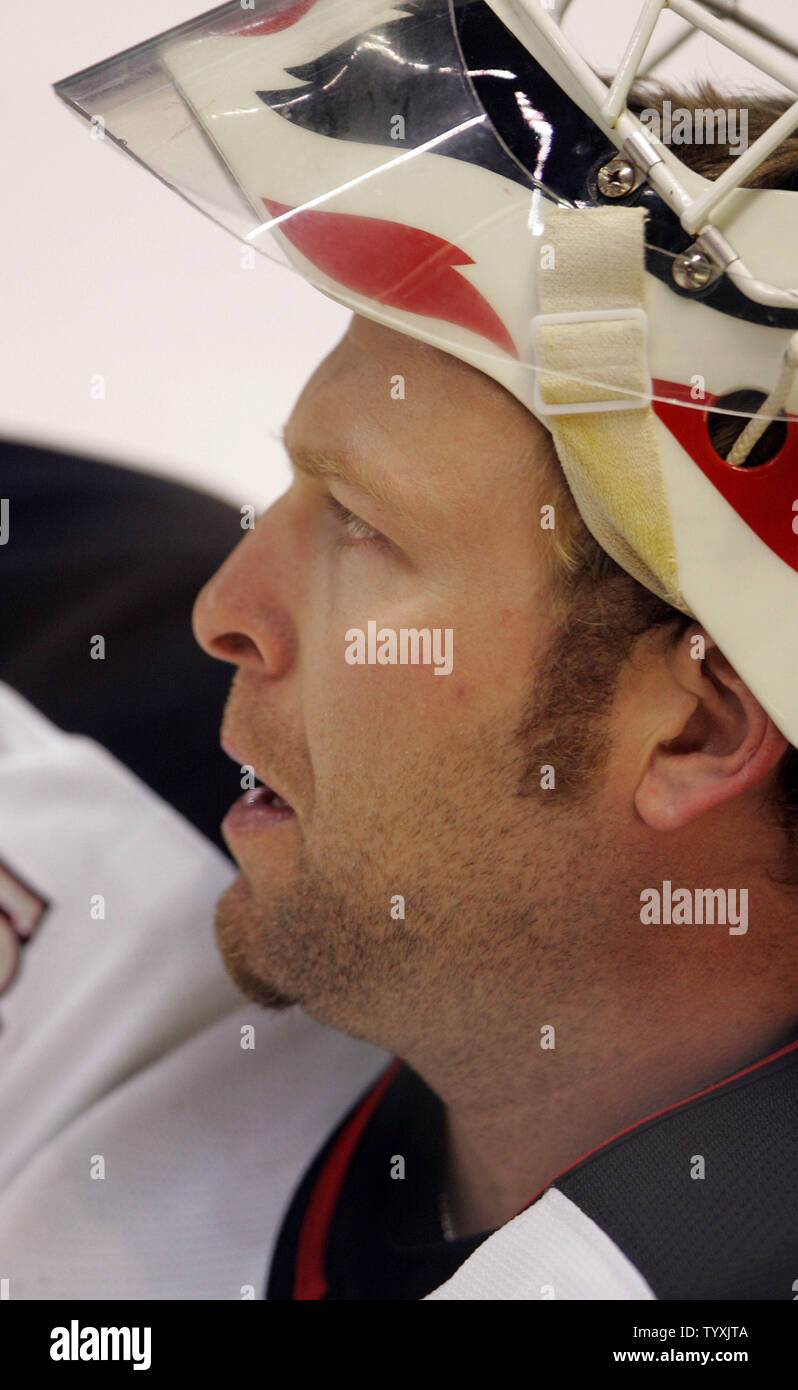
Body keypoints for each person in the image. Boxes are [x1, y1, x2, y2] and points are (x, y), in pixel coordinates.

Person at [35, 0, 798, 1297]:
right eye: (292, 489)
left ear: (696, 725)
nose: (225, 610)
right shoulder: (111, 728)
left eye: (363, 526)